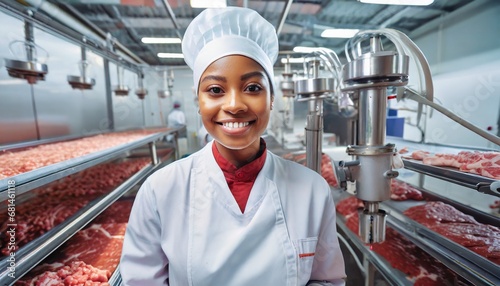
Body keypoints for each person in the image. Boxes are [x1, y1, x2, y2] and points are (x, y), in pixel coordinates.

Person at [120, 7, 346, 286]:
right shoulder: (160, 191)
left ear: (272, 98)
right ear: (198, 101)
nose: (235, 105)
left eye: (252, 88)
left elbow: (327, 280)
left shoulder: (312, 189)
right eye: (215, 90)